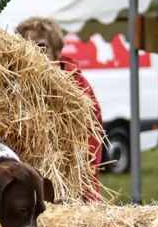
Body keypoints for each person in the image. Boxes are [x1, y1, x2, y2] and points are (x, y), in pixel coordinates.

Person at [16, 16, 104, 199]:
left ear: (56, 50)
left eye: (41, 47)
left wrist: (82, 189)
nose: (35, 54)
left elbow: (91, 141)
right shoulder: (14, 87)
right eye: (27, 47)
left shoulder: (77, 85)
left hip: (70, 189)